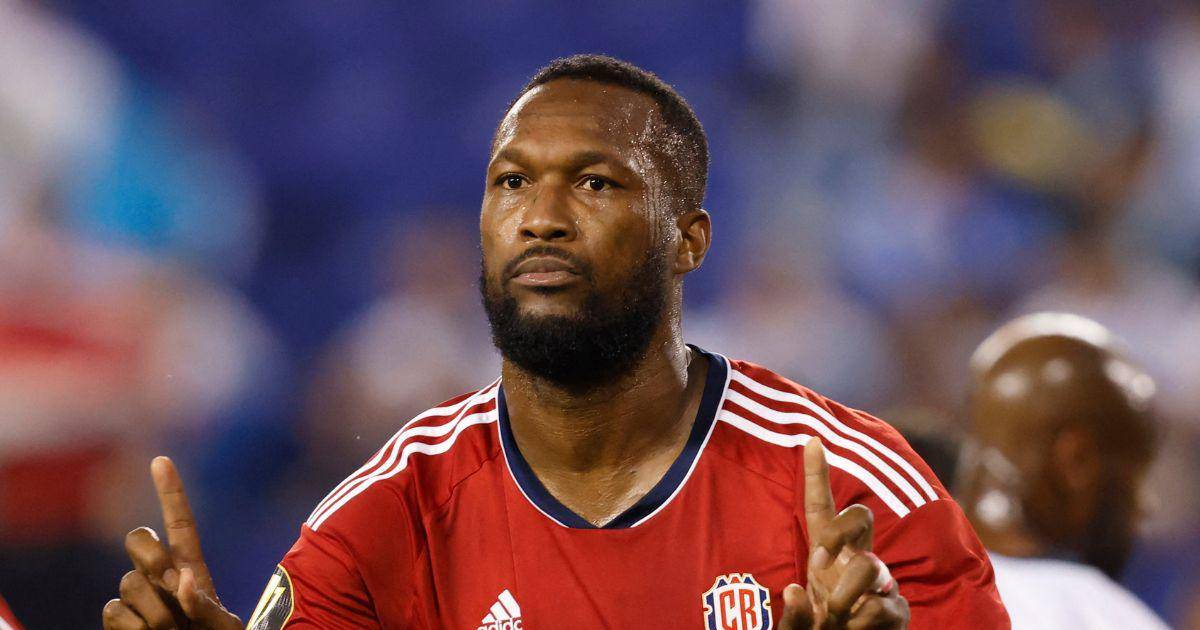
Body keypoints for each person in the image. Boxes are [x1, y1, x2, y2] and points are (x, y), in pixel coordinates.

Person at [101, 54, 1008, 629]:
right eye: (510, 182)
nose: (540, 217)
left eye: (596, 184)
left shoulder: (851, 492)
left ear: (690, 241)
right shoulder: (391, 511)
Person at [957, 312, 1168, 628]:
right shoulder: (1107, 619)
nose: (1145, 507)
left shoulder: (888, 589)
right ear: (1077, 460)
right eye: (1133, 476)